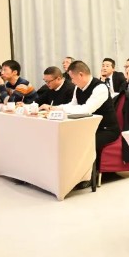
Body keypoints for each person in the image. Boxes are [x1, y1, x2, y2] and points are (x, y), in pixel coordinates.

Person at [43, 60, 121, 189]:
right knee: (67, 139)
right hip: (87, 127)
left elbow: (86, 109)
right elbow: (72, 105)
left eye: (73, 78)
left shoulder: (100, 88)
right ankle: (70, 175)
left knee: (84, 142)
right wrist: (55, 108)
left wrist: (61, 110)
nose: (72, 82)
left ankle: (89, 176)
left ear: (81, 75)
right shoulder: (78, 88)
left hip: (106, 129)